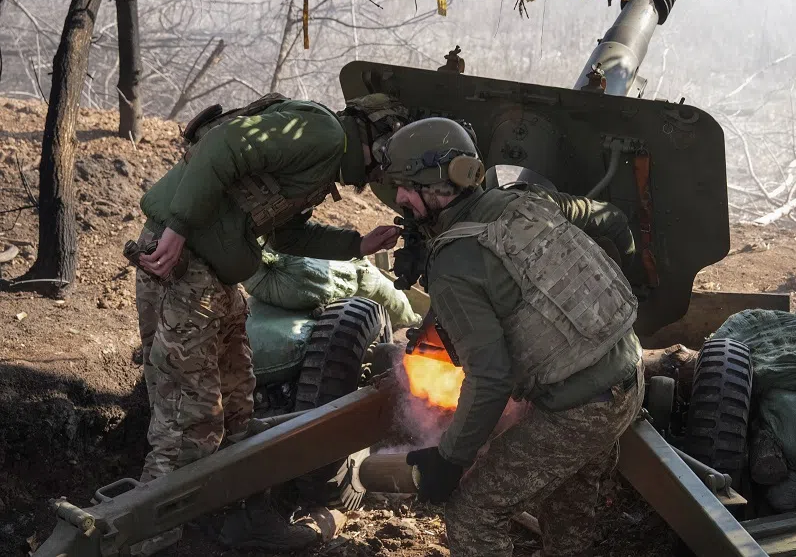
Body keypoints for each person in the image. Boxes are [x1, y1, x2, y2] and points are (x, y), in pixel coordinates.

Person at [129, 92, 408, 553]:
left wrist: (357, 245)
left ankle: (246, 521)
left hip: (215, 277)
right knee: (188, 426)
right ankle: (149, 541)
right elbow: (223, 146)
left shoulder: (322, 161)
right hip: (183, 265)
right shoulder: (321, 132)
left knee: (238, 413)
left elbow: (284, 230)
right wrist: (177, 229)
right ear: (376, 139)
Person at [378, 116, 645, 557]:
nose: (399, 198)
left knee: (471, 518)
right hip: (627, 377)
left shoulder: (454, 263)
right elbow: (609, 219)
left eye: (405, 186)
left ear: (434, 185)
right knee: (568, 504)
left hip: (578, 410)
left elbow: (490, 378)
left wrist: (448, 461)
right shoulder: (526, 200)